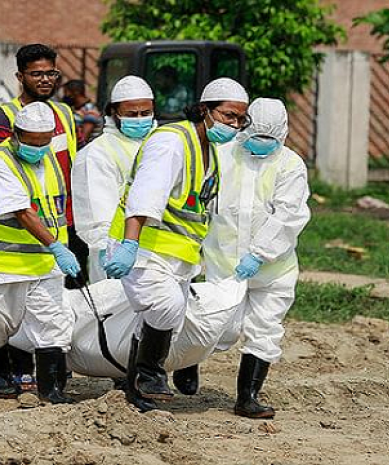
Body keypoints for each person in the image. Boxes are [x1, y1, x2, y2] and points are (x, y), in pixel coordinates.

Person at [103, 78, 250, 412]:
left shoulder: (208, 150)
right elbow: (145, 197)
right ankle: (149, 374)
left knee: (167, 315)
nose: (234, 125)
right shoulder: (171, 143)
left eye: (240, 119)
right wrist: (128, 244)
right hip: (142, 248)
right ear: (204, 110)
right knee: (165, 306)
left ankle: (137, 387)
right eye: (228, 116)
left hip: (175, 254)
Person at [0, 43, 85, 390]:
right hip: (20, 222)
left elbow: (69, 165)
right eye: (36, 73)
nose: (45, 80)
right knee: (13, 303)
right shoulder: (5, 115)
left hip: (61, 220)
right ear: (20, 76)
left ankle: (52, 366)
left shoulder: (65, 114)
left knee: (55, 301)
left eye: (50, 73)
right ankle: (15, 367)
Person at [0, 102, 81, 404]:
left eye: (44, 142)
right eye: (31, 142)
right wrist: (56, 246)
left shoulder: (50, 160)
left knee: (52, 322)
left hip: (43, 264)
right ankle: (1, 371)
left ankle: (51, 389)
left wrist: (62, 247)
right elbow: (22, 212)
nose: (38, 148)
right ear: (15, 135)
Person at [203, 98, 311, 418]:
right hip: (224, 264)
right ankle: (187, 365)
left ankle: (247, 396)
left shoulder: (290, 165)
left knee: (265, 328)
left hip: (273, 269)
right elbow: (206, 203)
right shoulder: (223, 155)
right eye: (256, 136)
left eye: (269, 139)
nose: (261, 144)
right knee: (219, 327)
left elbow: (288, 215)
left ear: (283, 134)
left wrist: (260, 253)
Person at [72, 75, 155, 284]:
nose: (139, 119)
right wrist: (109, 253)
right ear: (113, 113)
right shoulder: (97, 152)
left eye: (145, 113)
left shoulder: (162, 145)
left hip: (158, 255)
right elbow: (95, 212)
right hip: (116, 256)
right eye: (131, 114)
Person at [62, 79, 103, 145]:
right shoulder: (77, 109)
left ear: (76, 92)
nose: (65, 96)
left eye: (66, 92)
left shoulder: (90, 111)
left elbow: (83, 139)